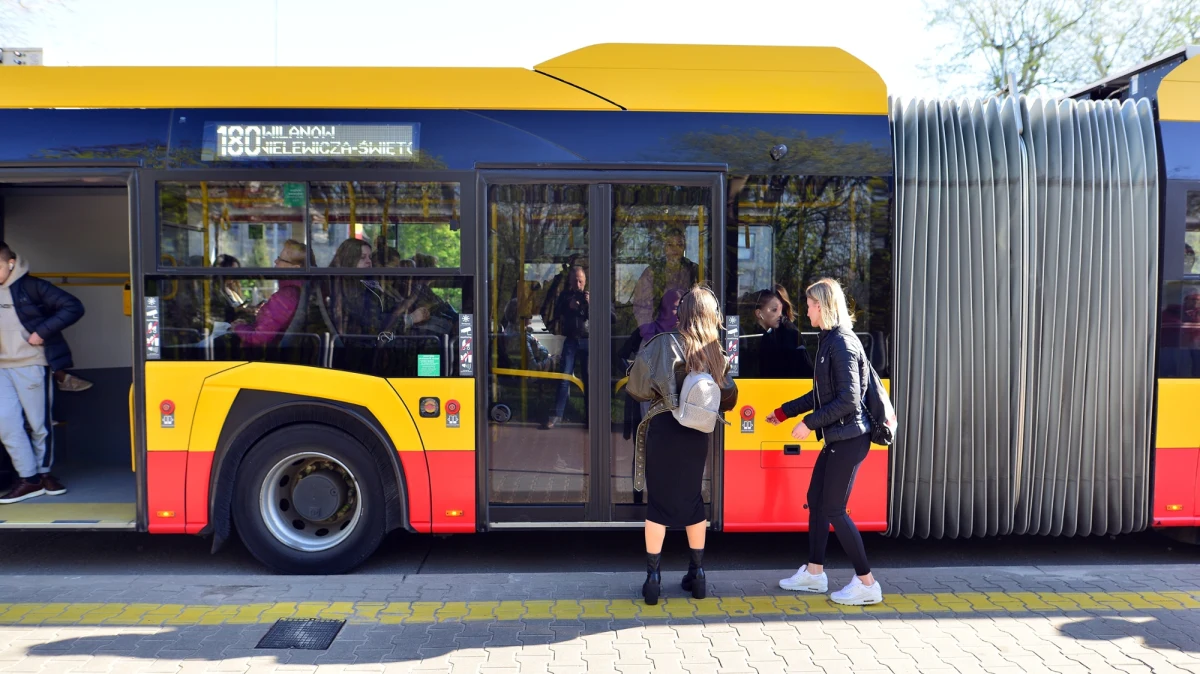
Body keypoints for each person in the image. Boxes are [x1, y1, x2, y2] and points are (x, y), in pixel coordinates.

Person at [765, 277, 883, 606]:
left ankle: (867, 583)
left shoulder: (842, 344)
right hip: (838, 436)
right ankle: (815, 574)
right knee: (816, 499)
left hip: (850, 438)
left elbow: (848, 400)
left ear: (823, 306)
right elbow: (820, 394)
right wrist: (784, 411)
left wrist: (808, 423)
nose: (806, 309)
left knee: (833, 509)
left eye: (810, 304)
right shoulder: (829, 341)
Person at [626, 285, 737, 604]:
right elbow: (728, 397)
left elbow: (637, 389)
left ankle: (652, 579)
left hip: (664, 430)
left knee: (658, 504)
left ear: (682, 313)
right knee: (692, 502)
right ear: (710, 315)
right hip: (696, 435)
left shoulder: (662, 343)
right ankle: (698, 574)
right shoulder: (714, 350)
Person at [0, 242, 85, 504]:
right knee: (7, 425)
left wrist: (41, 332)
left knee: (39, 424)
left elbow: (73, 306)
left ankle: (44, 473)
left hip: (31, 363)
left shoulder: (31, 286)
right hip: (1, 367)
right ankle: (30, 478)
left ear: (10, 263)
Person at [230, 239, 307, 347]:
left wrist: (238, 328)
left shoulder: (285, 297)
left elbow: (259, 338)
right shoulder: (294, 291)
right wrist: (246, 326)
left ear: (295, 268)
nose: (276, 262)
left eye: (281, 259)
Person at [544, 265, 589, 430]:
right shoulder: (564, 296)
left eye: (580, 281)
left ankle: (591, 417)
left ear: (585, 281)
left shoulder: (592, 295)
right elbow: (555, 314)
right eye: (575, 281)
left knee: (589, 380)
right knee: (564, 379)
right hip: (570, 340)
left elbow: (610, 318)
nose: (578, 284)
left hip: (588, 341)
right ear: (570, 281)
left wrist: (590, 304)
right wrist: (567, 306)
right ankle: (557, 415)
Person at [633, 228, 698, 340]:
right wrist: (650, 337)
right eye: (670, 245)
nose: (675, 249)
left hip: (689, 334)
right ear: (664, 248)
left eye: (679, 244)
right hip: (658, 334)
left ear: (684, 247)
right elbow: (642, 306)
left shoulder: (693, 270)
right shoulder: (653, 272)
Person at [753, 285, 806, 378]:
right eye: (774, 309)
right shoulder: (767, 334)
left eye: (779, 309)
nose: (779, 314)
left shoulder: (789, 334)